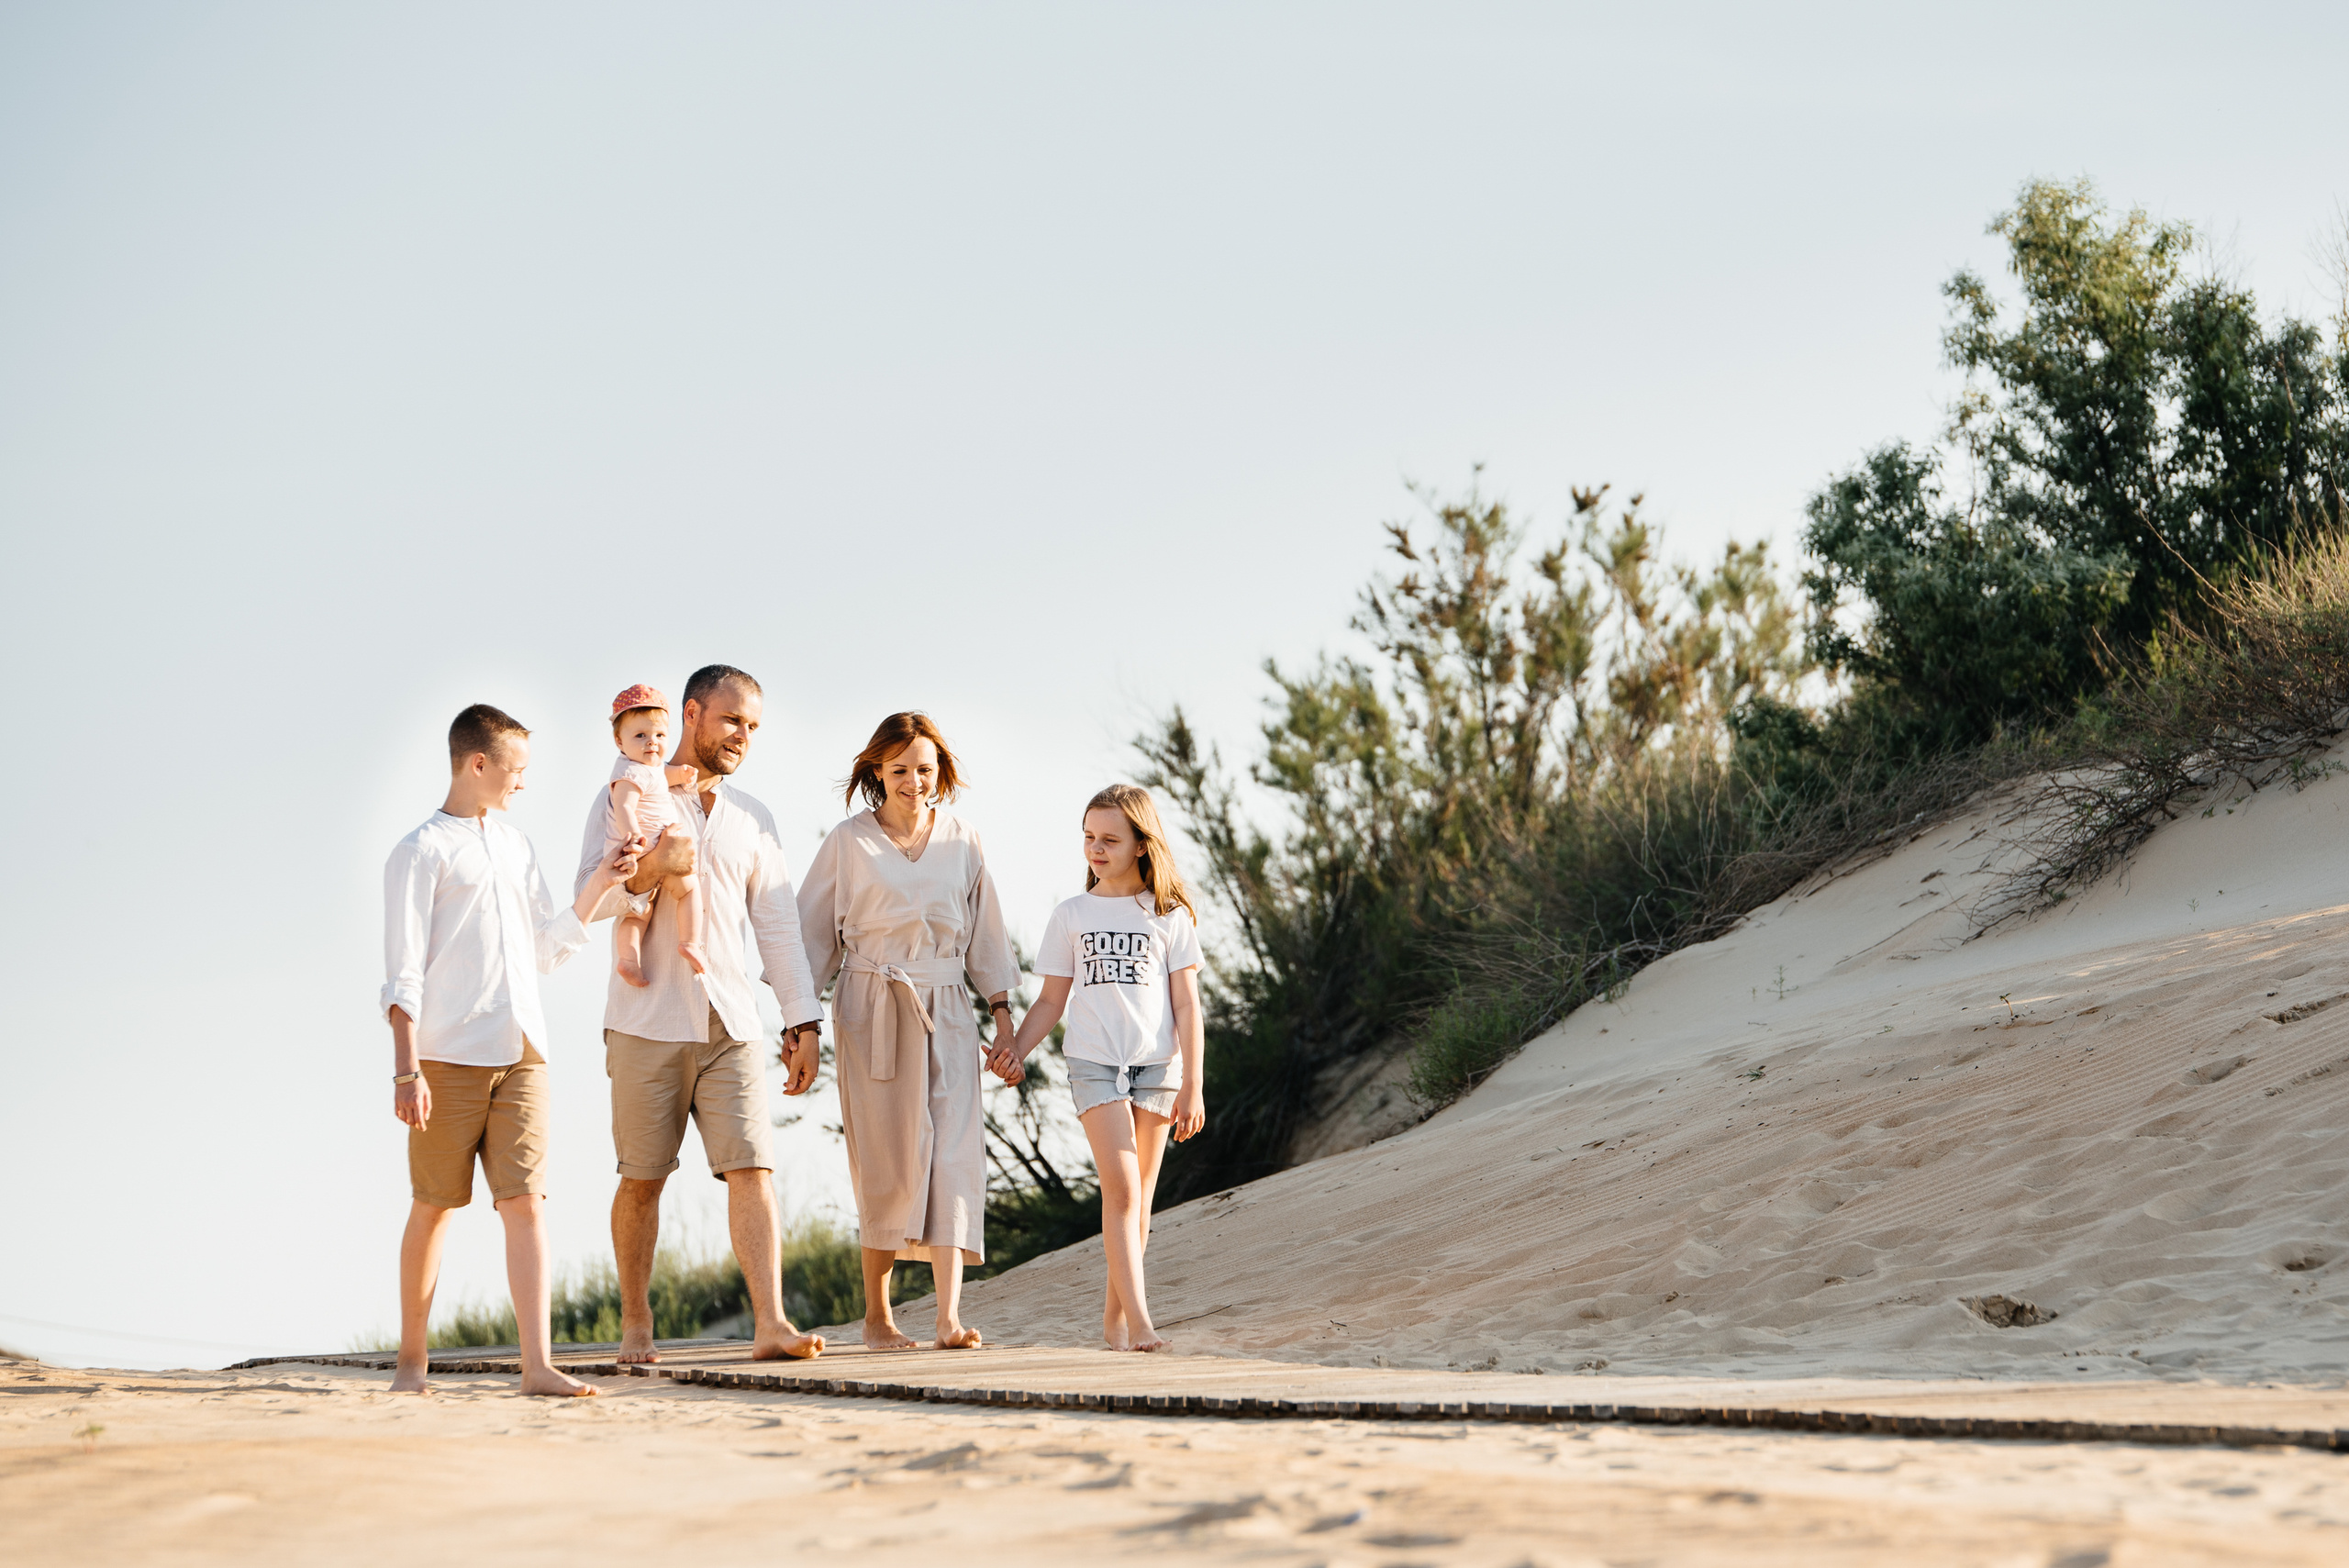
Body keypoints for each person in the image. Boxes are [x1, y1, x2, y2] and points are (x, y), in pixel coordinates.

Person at [382, 702, 639, 1396]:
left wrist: (601, 882)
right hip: (445, 1056)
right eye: (516, 768)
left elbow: (543, 949)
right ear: (478, 764)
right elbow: (402, 972)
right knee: (434, 1205)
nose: (523, 780)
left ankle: (537, 1366)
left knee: (526, 1202)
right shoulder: (419, 851)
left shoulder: (518, 846)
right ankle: (411, 1363)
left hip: (523, 1050)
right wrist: (406, 1069)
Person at [574, 664, 828, 1364]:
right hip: (645, 1019)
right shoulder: (628, 792)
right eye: (732, 720)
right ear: (691, 713)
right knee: (642, 1178)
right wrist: (654, 868)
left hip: (731, 1024)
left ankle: (771, 1321)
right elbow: (590, 899)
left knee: (753, 1167)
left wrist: (803, 1021)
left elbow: (778, 927)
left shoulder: (755, 818)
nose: (744, 735)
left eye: (753, 726)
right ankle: (635, 1321)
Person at [798, 712, 1019, 1351]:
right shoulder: (848, 842)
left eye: (924, 768)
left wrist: (1004, 1020)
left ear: (939, 770)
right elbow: (808, 935)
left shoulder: (962, 838)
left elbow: (988, 935)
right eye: (900, 769)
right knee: (886, 1156)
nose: (913, 781)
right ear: (878, 770)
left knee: (953, 1152)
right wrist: (800, 1022)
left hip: (948, 1003)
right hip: (872, 1005)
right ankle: (878, 1317)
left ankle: (948, 1317)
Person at [987, 784, 1206, 1352]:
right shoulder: (1072, 914)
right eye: (1089, 837)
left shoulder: (1169, 915)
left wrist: (1194, 1086)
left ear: (1141, 844)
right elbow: (1050, 1001)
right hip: (1094, 1064)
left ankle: (1115, 1322)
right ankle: (1142, 1324)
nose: (1096, 849)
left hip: (1158, 1068)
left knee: (1141, 1201)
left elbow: (1187, 1006)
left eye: (1110, 839)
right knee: (1123, 1192)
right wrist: (1017, 1051)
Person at [603, 684, 706, 986]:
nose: (652, 742)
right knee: (689, 890)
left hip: (645, 854)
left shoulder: (650, 769)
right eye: (640, 736)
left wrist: (681, 775)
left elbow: (662, 778)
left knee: (639, 912)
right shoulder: (628, 773)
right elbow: (624, 805)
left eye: (660, 735)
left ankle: (628, 961)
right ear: (619, 741)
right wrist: (633, 834)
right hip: (647, 848)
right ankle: (690, 942)